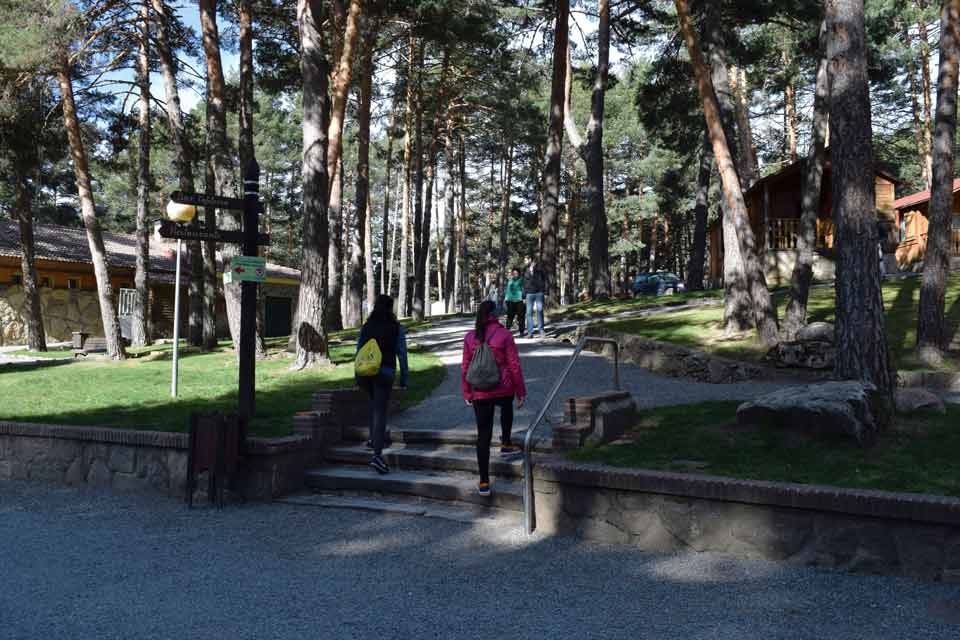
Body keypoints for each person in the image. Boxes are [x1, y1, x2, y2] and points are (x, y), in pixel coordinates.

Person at [461, 300, 527, 496]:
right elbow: (514, 364)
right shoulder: (504, 334)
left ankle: (484, 481)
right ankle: (506, 443)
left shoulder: (470, 337)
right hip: (503, 387)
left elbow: (465, 367)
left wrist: (467, 392)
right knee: (506, 408)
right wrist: (520, 391)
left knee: (483, 435)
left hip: (479, 391)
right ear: (495, 315)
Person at [355, 294, 408, 474]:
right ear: (390, 308)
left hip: (364, 373)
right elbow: (402, 353)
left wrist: (356, 375)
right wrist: (404, 378)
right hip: (384, 372)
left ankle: (373, 439)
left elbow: (358, 350)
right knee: (380, 412)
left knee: (373, 407)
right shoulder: (396, 327)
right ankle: (377, 456)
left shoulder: (367, 326)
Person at [523, 256, 546, 338]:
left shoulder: (540, 270)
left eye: (526, 260)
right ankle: (530, 332)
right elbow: (524, 284)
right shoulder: (525, 271)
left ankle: (541, 330)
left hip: (539, 293)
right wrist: (523, 296)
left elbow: (544, 280)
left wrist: (544, 291)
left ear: (530, 260)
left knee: (540, 311)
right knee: (528, 313)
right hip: (529, 294)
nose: (524, 262)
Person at [504, 267, 525, 335]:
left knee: (521, 316)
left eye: (516, 273)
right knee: (510, 316)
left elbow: (524, 289)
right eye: (513, 273)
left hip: (519, 300)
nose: (515, 274)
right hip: (510, 301)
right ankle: (507, 330)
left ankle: (521, 331)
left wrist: (524, 298)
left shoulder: (521, 280)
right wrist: (505, 299)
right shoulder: (510, 281)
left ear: (519, 274)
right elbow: (508, 291)